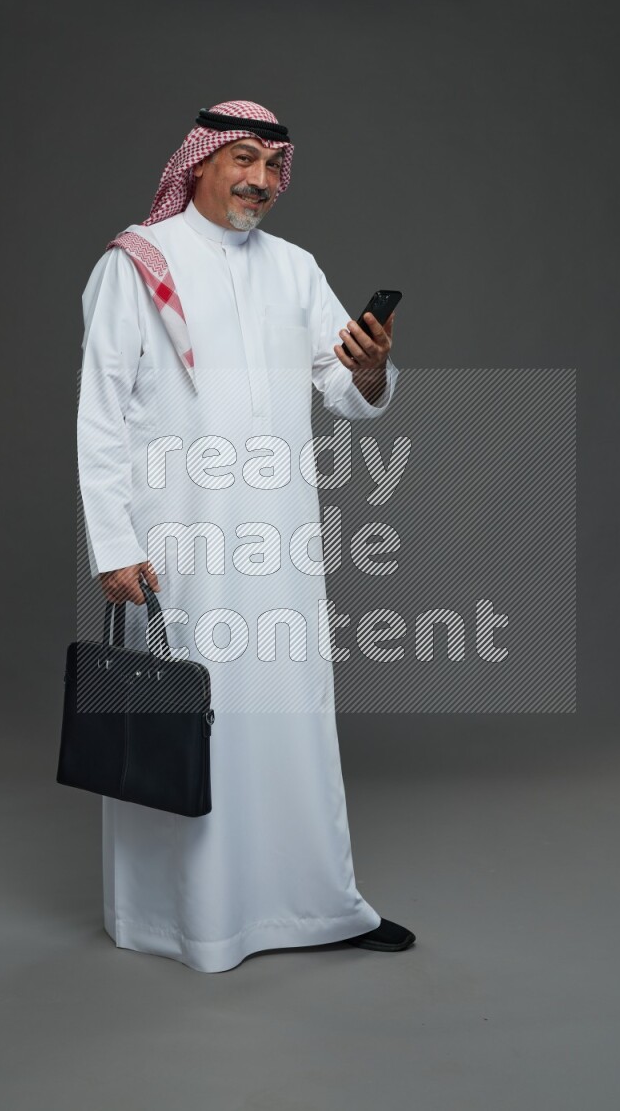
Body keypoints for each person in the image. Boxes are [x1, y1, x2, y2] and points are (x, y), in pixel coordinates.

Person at [77, 99, 415, 973]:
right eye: (243, 159)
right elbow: (100, 414)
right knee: (189, 715)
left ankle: (315, 906)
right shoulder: (138, 263)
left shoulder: (296, 268)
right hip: (178, 538)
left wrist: (371, 371)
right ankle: (190, 920)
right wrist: (112, 542)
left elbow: (340, 388)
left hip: (277, 540)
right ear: (197, 164)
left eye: (274, 165)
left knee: (288, 715)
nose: (261, 180)